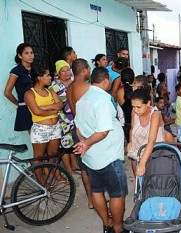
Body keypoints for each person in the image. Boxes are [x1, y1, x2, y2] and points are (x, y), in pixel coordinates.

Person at [73, 67, 127, 233]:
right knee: (117, 194)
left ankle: (107, 223)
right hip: (108, 157)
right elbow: (103, 131)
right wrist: (87, 143)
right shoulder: (102, 100)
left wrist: (83, 142)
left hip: (90, 158)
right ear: (105, 81)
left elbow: (78, 128)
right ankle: (117, 228)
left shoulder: (82, 100)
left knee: (97, 191)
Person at [24, 66, 63, 184]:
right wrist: (53, 110)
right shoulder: (30, 94)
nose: (50, 77)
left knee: (53, 154)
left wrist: (46, 107)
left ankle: (56, 175)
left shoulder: (50, 91)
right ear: (39, 78)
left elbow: (60, 105)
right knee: (39, 157)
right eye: (47, 75)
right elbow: (37, 111)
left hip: (55, 128)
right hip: (41, 129)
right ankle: (42, 183)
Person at [66, 58, 94, 210]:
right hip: (87, 130)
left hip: (77, 128)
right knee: (94, 166)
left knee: (84, 168)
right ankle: (96, 198)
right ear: (84, 70)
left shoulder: (70, 87)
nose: (89, 72)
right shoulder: (85, 87)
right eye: (88, 69)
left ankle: (90, 200)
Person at [49, 60, 80, 175]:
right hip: (63, 118)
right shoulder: (55, 85)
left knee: (73, 141)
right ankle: (68, 169)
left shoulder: (73, 82)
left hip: (74, 116)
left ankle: (75, 164)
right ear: (58, 73)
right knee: (65, 143)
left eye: (68, 69)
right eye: (63, 71)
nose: (67, 72)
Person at [127, 89, 166, 177]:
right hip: (137, 152)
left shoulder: (155, 115)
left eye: (139, 107)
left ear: (148, 103)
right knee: (139, 185)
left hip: (154, 154)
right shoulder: (134, 112)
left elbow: (151, 141)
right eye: (133, 106)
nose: (136, 110)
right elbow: (132, 128)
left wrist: (142, 163)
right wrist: (130, 141)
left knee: (153, 185)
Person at [4, 43, 35, 132]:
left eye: (32, 52)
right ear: (20, 56)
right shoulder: (16, 71)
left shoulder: (35, 70)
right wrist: (19, 104)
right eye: (26, 53)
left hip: (40, 106)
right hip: (26, 107)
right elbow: (7, 92)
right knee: (35, 138)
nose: (30, 55)